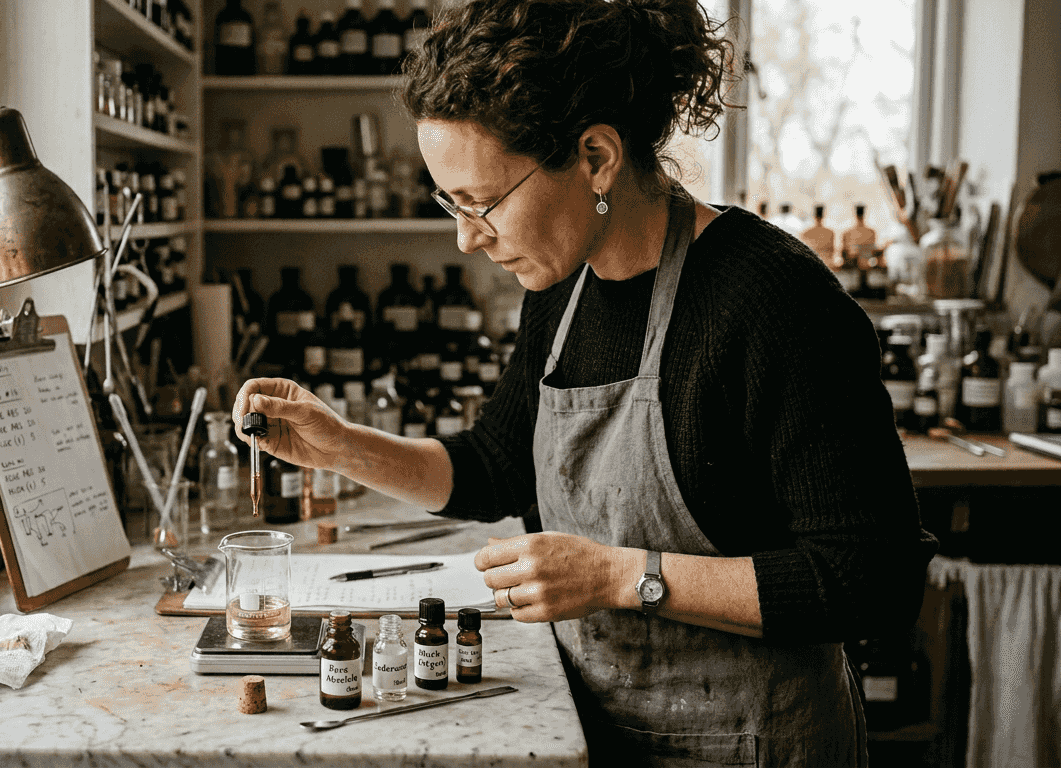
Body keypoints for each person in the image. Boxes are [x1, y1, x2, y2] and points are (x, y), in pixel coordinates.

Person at [234, 0, 937, 764]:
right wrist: (341, 447)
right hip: (597, 729)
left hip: (753, 742)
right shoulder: (562, 289)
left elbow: (871, 580)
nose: (467, 238)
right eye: (451, 204)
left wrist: (617, 575)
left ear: (596, 158)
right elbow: (496, 466)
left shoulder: (773, 299)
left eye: (483, 202)